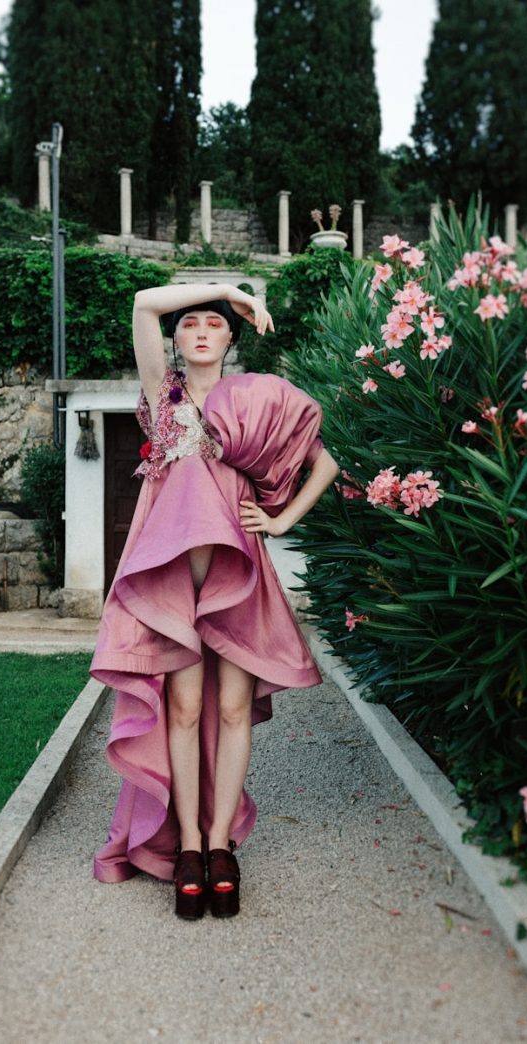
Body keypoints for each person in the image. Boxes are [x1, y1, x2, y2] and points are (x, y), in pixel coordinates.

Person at [89, 282, 339, 919]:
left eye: (216, 323)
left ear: (233, 338)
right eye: (192, 323)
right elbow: (146, 300)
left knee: (231, 709)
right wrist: (230, 289)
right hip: (173, 580)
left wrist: (282, 523)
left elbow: (326, 461)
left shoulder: (256, 399)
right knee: (183, 707)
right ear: (176, 339)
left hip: (237, 575)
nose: (201, 331)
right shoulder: (162, 395)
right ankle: (191, 848)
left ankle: (223, 845)